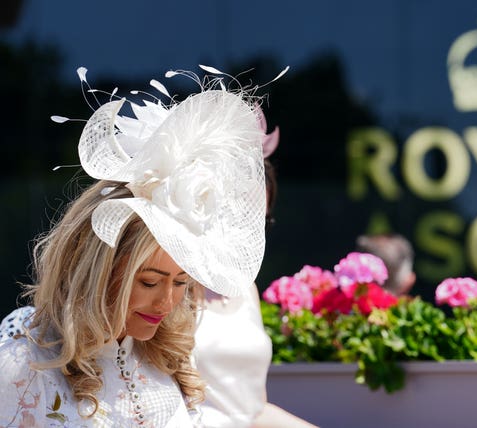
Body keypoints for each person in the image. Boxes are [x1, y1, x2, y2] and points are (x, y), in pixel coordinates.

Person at [0, 66, 269, 426]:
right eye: (149, 281)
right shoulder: (25, 361)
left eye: (181, 282)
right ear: (97, 269)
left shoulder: (166, 355)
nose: (167, 302)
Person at [192, 110, 318, 428]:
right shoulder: (168, 288)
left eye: (258, 220)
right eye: (235, 214)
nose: (247, 230)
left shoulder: (244, 288)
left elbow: (252, 408)